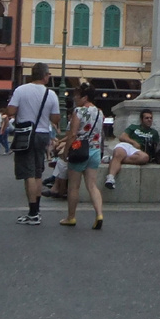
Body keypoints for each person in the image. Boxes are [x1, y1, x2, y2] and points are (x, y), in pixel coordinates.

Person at [6, 62, 59, 226]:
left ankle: (32, 212)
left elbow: (10, 111)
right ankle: (37, 211)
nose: (49, 77)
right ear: (44, 76)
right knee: (37, 173)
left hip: (25, 134)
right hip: (43, 134)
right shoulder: (51, 94)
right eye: (48, 74)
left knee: (28, 173)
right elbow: (55, 118)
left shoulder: (21, 90)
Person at [55, 83, 104, 230]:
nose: (74, 98)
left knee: (74, 186)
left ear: (85, 97)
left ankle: (71, 217)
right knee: (92, 185)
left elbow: (73, 134)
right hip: (94, 151)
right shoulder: (100, 113)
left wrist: (65, 152)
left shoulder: (79, 111)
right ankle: (99, 214)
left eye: (77, 95)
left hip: (79, 151)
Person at [105, 108, 154, 189]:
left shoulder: (154, 132)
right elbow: (122, 137)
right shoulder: (134, 127)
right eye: (146, 118)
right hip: (127, 146)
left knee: (145, 158)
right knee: (119, 153)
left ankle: (113, 159)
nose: (149, 120)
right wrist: (133, 142)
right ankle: (110, 178)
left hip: (138, 152)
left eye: (150, 118)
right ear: (141, 119)